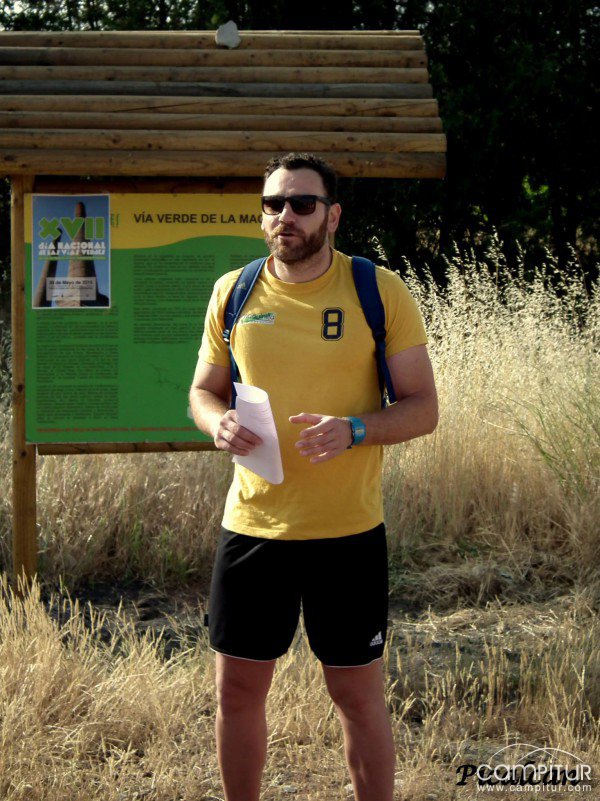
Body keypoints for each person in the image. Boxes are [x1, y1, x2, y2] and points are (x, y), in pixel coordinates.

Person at [189, 152, 438, 801]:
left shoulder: (377, 290)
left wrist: (355, 428)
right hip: (254, 526)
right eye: (273, 204)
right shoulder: (233, 291)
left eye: (302, 203)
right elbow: (203, 391)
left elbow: (423, 408)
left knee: (355, 695)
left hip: (346, 532)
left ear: (333, 215)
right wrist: (216, 422)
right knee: (236, 691)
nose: (285, 216)